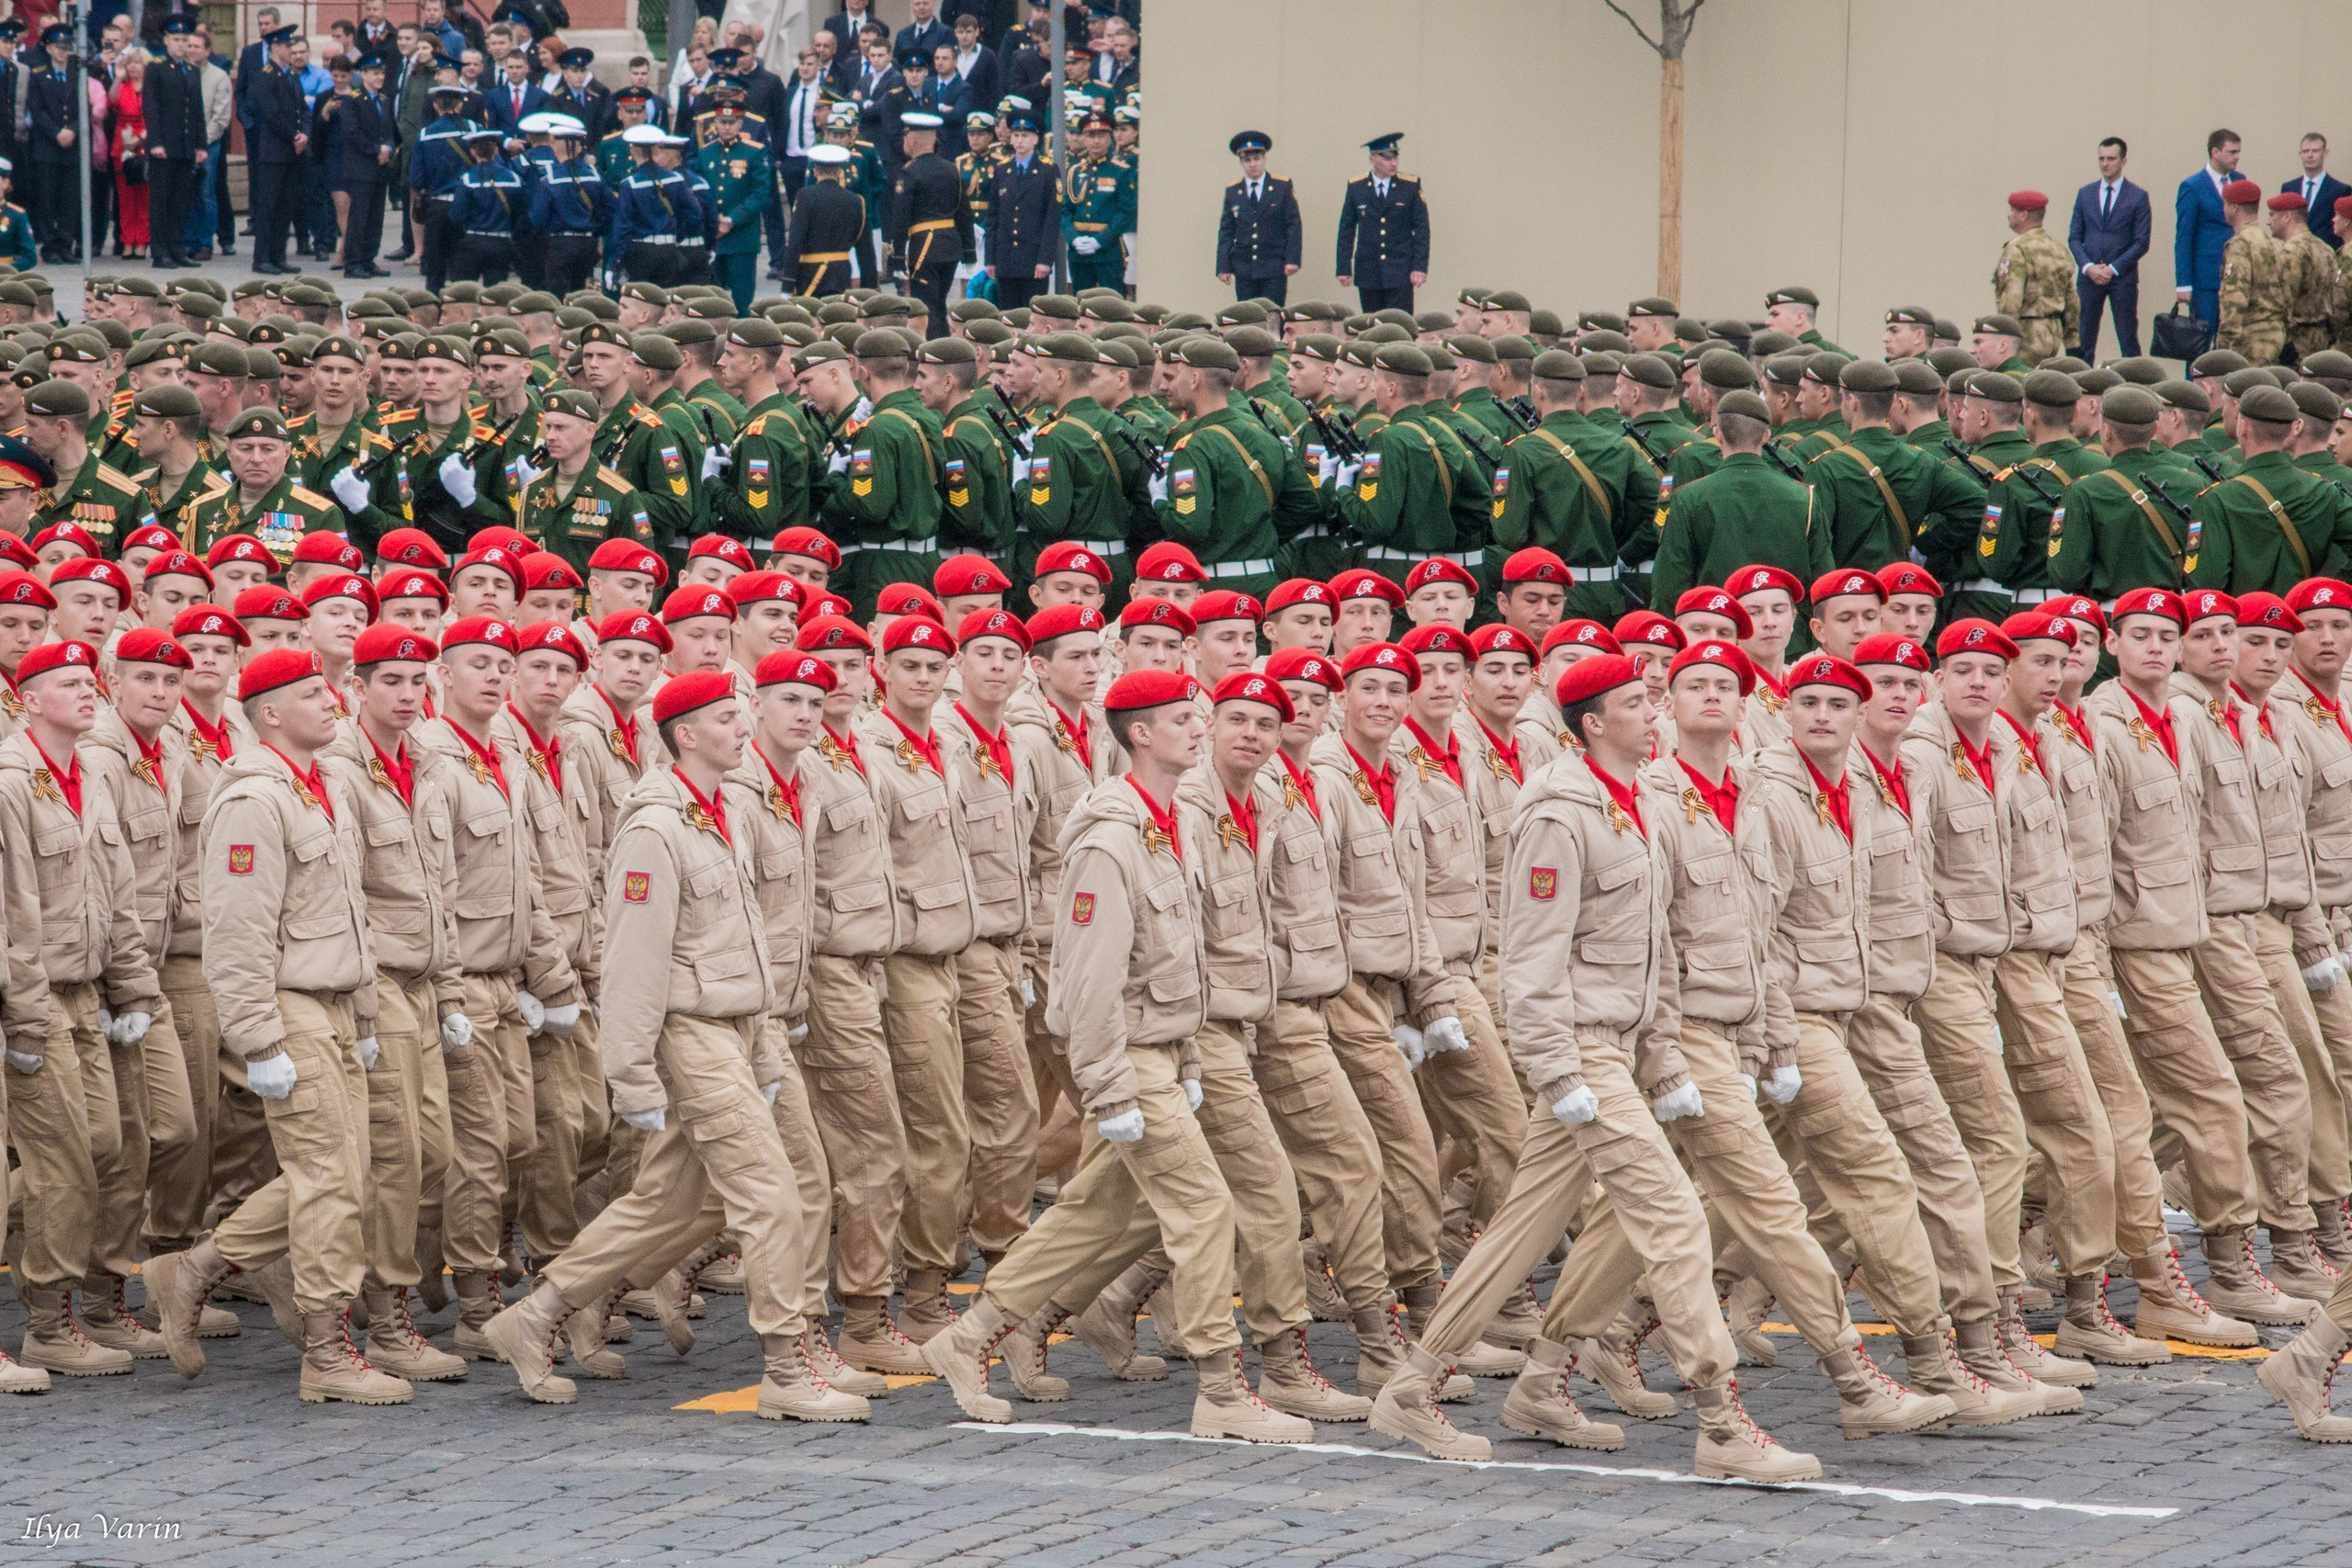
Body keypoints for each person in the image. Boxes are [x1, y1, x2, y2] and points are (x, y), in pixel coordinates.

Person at [148, 648, 407, 1404]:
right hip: (286, 1004)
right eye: (309, 694)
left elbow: (347, 914)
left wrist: (360, 1011)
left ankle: (194, 1266)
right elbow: (237, 931)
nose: (331, 701)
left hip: (331, 1000)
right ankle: (328, 1350)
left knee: (344, 1172)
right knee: (329, 1177)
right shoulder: (253, 799)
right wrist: (259, 1040)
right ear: (268, 713)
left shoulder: (321, 783)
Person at [1336, 133, 1428, 314]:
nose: (1393, 163)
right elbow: (1346, 229)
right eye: (1387, 158)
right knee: (1372, 325)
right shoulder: (1357, 187)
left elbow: (1421, 229)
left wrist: (1419, 267)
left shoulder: (1410, 186)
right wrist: (1343, 266)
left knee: (1399, 324)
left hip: (1400, 269)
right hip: (1368, 270)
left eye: (1395, 157)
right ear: (1373, 159)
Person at [144, 17, 208, 271]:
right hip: (165, 146)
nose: (181, 45)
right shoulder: (157, 68)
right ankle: (160, 252)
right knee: (161, 200)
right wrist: (156, 142)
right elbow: (151, 107)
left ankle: (177, 249)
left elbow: (197, 110)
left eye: (185, 40)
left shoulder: (192, 71)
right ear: (167, 41)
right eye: (177, 40)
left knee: (180, 200)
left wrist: (200, 144)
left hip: (185, 145)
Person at [1993, 190, 2079, 367]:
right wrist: (2072, 341)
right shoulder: (2059, 249)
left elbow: (2011, 300)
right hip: (2052, 333)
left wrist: (2003, 338)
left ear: (2023, 215)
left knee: (2017, 384)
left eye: (2012, 210)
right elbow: (2072, 300)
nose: (2009, 215)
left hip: (2026, 333)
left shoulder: (2017, 249)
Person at [1216, 130, 1300, 306]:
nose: (1253, 164)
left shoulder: (1281, 187)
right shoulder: (1233, 191)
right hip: (1244, 267)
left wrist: (1292, 259)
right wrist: (1223, 266)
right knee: (1247, 318)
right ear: (1241, 162)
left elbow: (1293, 224)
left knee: (1272, 315)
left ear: (1264, 159)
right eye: (1247, 160)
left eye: (1257, 159)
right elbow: (1227, 230)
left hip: (1273, 265)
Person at [984, 111, 1057, 311]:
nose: (1020, 141)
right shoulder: (1002, 170)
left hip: (1033, 259)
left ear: (1035, 139)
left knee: (1032, 313)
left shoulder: (1047, 171)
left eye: (1025, 136)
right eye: (1016, 135)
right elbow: (993, 218)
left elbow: (1051, 220)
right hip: (1006, 258)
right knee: (1007, 314)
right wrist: (990, 259)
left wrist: (1044, 260)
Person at [2178, 129, 2245, 330]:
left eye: (2238, 152)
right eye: (2232, 152)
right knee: (2201, 339)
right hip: (2206, 278)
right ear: (2215, 153)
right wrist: (2183, 283)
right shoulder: (2193, 185)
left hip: (2236, 277)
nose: (2237, 157)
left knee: (2232, 337)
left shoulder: (2240, 181)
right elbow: (2183, 238)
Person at [2281, 132, 2349, 250]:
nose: (2310, 155)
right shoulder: (2289, 188)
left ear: (2325, 153)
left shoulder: (2340, 190)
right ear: (2300, 154)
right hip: (2294, 253)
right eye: (2306, 151)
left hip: (2327, 254)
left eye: (2315, 151)